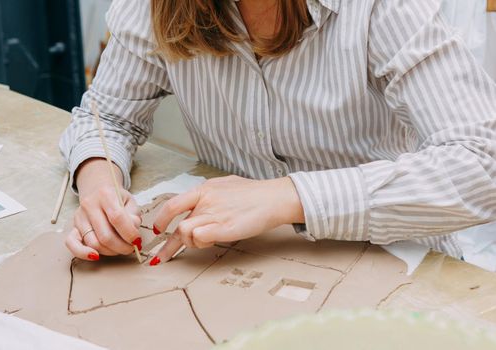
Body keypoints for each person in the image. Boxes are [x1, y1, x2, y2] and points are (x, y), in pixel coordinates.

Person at [60, 0, 496, 265]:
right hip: (235, 260)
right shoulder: (154, 8)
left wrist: (289, 197)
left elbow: (482, 163)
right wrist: (100, 186)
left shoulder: (383, 8)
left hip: (394, 258)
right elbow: (110, 117)